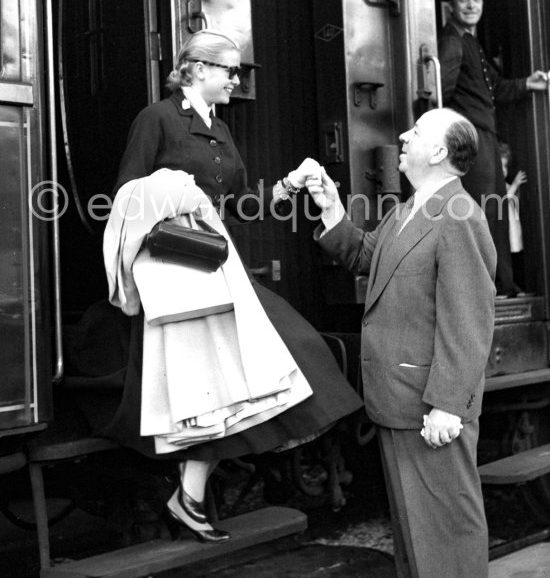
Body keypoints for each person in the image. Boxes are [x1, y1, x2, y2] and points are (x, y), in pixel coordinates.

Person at [102, 29, 363, 543]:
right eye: (230, 70)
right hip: (175, 271)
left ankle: (188, 498)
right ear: (197, 69)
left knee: (271, 365)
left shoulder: (219, 129)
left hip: (218, 267)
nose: (236, 79)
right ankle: (189, 499)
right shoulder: (156, 119)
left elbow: (239, 207)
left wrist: (289, 185)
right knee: (218, 387)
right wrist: (174, 201)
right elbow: (126, 199)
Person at [306, 108, 496, 578]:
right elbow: (365, 255)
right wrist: (331, 207)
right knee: (416, 540)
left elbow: (468, 319)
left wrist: (448, 405)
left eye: (417, 131)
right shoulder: (407, 211)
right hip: (399, 401)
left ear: (438, 151)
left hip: (429, 405)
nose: (404, 136)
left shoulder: (459, 215)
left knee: (446, 536)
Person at [438, 0, 547, 297]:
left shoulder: (470, 39)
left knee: (493, 209)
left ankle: (503, 286)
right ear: (451, 5)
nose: (471, 5)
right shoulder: (453, 41)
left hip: (483, 135)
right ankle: (490, 287)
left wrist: (529, 83)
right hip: (470, 137)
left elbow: (495, 87)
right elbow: (439, 94)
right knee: (485, 210)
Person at [500, 141, 527, 290]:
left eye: (505, 166)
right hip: (505, 231)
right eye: (500, 166)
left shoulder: (507, 185)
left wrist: (516, 187)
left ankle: (517, 285)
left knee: (516, 258)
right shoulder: (495, 187)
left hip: (513, 229)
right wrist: (515, 184)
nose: (503, 170)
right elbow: (501, 201)